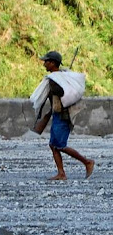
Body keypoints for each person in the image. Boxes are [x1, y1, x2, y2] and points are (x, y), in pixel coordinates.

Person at [34, 51, 94, 180]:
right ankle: (61, 173)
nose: (44, 64)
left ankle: (87, 162)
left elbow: (62, 93)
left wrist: (57, 85)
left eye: (47, 62)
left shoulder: (57, 80)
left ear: (53, 63)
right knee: (53, 144)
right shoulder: (58, 78)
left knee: (60, 145)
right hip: (57, 114)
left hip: (63, 116)